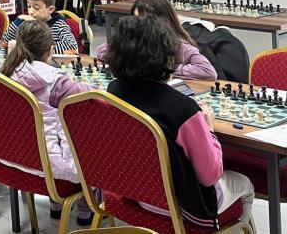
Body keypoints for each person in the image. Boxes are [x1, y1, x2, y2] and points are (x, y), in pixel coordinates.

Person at [106, 15, 253, 226]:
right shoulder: (183, 110)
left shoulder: (114, 90)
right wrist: (209, 129)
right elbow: (210, 175)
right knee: (246, 183)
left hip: (136, 191)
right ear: (168, 54)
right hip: (183, 205)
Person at [0, 20, 94, 225]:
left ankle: (56, 207)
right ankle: (85, 212)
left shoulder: (6, 71)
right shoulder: (55, 80)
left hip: (11, 153)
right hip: (48, 163)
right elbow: (91, 94)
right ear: (50, 50)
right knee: (93, 147)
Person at [97, 0, 217, 80]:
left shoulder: (181, 46)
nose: (138, 24)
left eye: (145, 20)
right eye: (136, 18)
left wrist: (163, 69)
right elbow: (101, 51)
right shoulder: (135, 40)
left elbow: (207, 71)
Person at [3, 0, 77, 53]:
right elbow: (5, 42)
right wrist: (18, 20)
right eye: (29, 6)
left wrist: (36, 50)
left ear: (50, 9)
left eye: (36, 8)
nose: (31, 12)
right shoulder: (26, 23)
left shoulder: (58, 25)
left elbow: (72, 46)